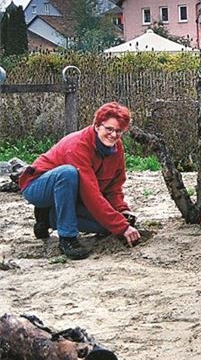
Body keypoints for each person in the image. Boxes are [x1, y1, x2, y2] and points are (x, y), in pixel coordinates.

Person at [19, 102, 142, 260]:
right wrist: (122, 226)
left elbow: (114, 188)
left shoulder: (116, 148)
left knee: (106, 227)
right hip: (38, 186)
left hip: (72, 192)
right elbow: (90, 193)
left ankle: (49, 218)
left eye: (119, 131)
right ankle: (67, 238)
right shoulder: (77, 145)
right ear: (97, 125)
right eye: (109, 129)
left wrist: (122, 211)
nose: (113, 135)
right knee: (68, 173)